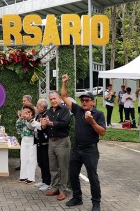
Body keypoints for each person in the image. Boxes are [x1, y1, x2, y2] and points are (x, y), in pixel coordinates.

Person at [61, 74, 106, 211]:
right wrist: (64, 83)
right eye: (83, 100)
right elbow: (64, 96)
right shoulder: (78, 110)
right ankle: (77, 198)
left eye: (87, 100)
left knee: (93, 177)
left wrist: (92, 121)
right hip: (76, 149)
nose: (84, 102)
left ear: (93, 102)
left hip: (90, 150)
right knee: (73, 174)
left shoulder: (98, 114)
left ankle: (96, 202)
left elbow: (102, 132)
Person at [42, 91, 71, 201]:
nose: (53, 101)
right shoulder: (48, 111)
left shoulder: (65, 110)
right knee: (53, 167)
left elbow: (64, 123)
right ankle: (55, 188)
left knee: (63, 167)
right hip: (51, 141)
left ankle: (63, 190)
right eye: (51, 99)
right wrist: (44, 125)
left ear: (60, 98)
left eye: (55, 98)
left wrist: (50, 123)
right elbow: (45, 126)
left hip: (62, 141)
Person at [33, 98, 51, 191]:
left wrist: (37, 124)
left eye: (38, 105)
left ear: (43, 107)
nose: (36, 107)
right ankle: (43, 180)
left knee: (46, 163)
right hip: (38, 141)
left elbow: (43, 126)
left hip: (45, 142)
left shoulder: (47, 114)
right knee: (40, 162)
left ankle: (48, 182)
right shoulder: (39, 114)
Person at [16, 103, 37, 184]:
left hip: (32, 139)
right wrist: (20, 119)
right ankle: (23, 176)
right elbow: (18, 129)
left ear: (31, 112)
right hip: (24, 139)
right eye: (24, 111)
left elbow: (31, 127)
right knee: (24, 158)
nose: (25, 113)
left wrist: (28, 119)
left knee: (31, 159)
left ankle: (31, 177)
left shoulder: (33, 119)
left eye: (27, 111)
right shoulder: (23, 119)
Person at [15, 95, 34, 171]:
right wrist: (20, 116)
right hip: (23, 134)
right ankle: (22, 166)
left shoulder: (33, 110)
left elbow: (32, 124)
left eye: (24, 101)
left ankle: (28, 171)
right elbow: (21, 122)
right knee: (23, 153)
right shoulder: (23, 108)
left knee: (30, 156)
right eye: (22, 101)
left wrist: (27, 118)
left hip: (30, 136)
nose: (23, 102)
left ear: (29, 101)